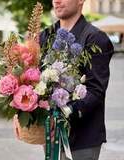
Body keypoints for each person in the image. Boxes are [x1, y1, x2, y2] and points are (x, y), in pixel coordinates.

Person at [39, 0, 114, 160]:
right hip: (50, 136)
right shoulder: (45, 36)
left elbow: (95, 91)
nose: (56, 1)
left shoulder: (96, 39)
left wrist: (61, 116)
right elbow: (35, 80)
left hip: (83, 139)